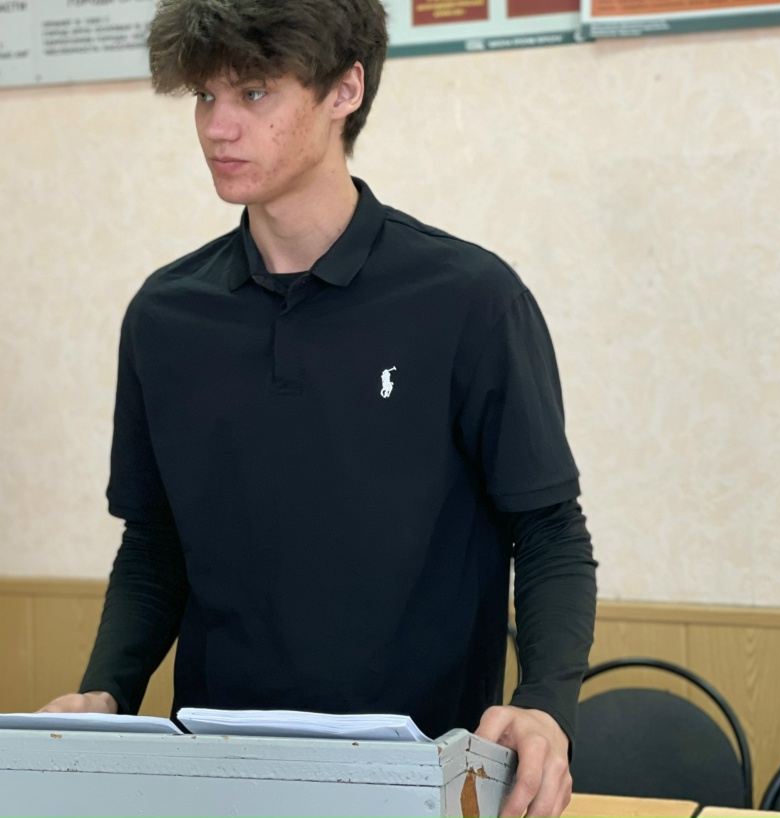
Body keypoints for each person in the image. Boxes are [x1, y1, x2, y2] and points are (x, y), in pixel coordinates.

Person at [41, 2, 597, 816]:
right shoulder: (165, 317)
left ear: (345, 90)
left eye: (254, 93)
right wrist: (107, 690)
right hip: (216, 778)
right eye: (205, 97)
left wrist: (546, 703)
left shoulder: (470, 300)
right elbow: (155, 542)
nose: (217, 127)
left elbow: (548, 529)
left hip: (424, 779)